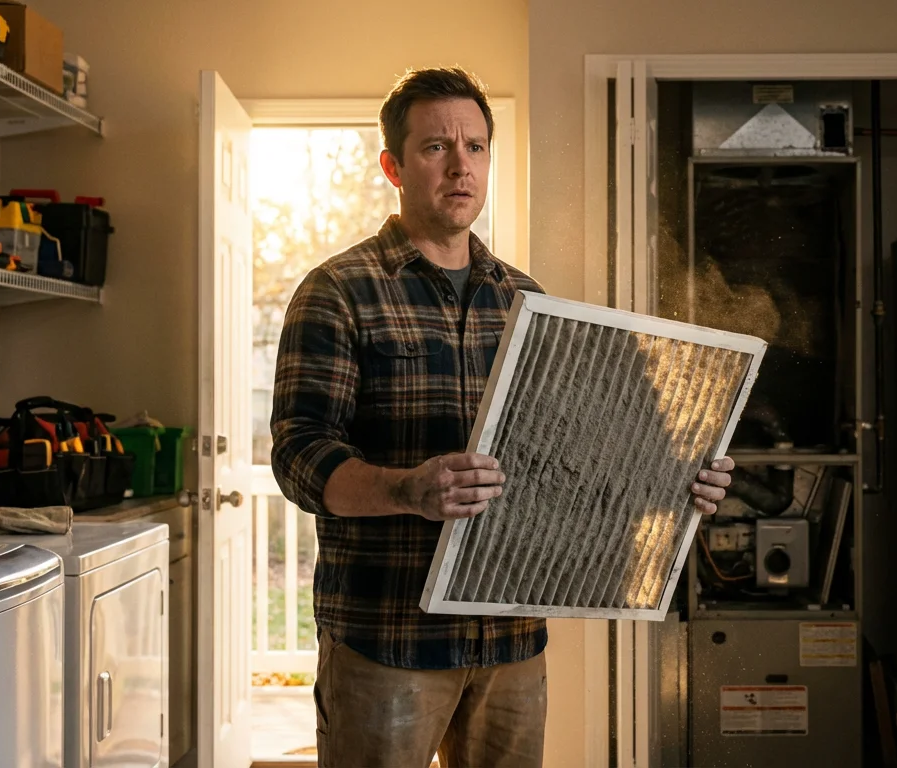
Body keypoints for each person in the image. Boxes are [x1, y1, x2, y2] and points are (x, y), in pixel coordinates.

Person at [269, 66, 735, 768]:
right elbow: (299, 455)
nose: (461, 166)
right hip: (389, 638)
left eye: (476, 147)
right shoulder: (338, 291)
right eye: (436, 148)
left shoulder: (525, 299)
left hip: (511, 639)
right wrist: (405, 489)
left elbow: (578, 458)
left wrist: (677, 482)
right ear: (394, 165)